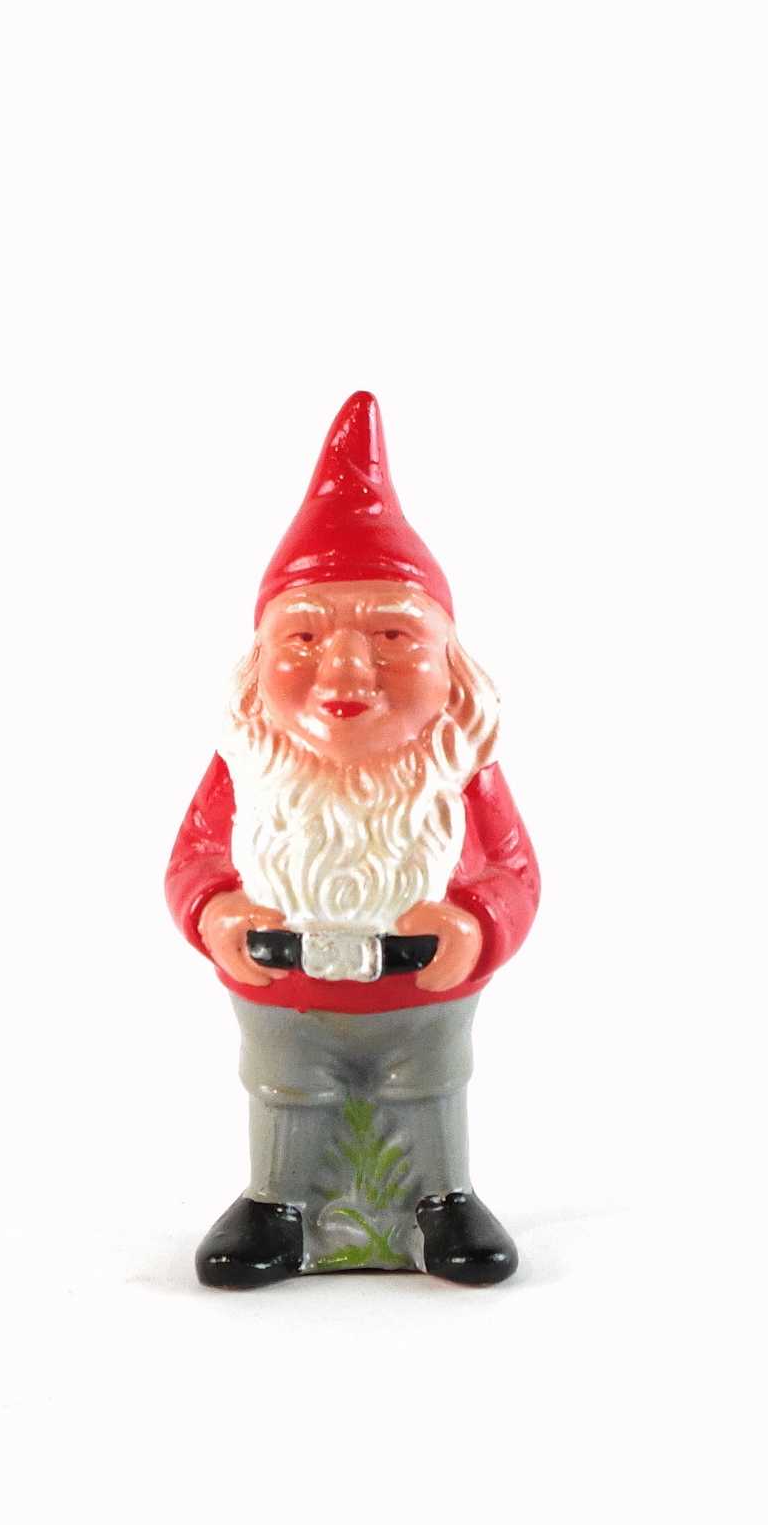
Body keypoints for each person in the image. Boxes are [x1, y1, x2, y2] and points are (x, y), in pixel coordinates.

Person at [165, 391, 540, 1286]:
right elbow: (193, 863)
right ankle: (278, 1205)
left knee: (430, 1088)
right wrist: (216, 913)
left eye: (391, 635)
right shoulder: (250, 769)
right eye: (304, 636)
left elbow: (516, 872)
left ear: (452, 665)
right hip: (286, 992)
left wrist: (477, 925)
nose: (345, 672)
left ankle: (441, 1202)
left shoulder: (458, 773)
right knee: (286, 1089)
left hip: (423, 995)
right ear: (258, 662)